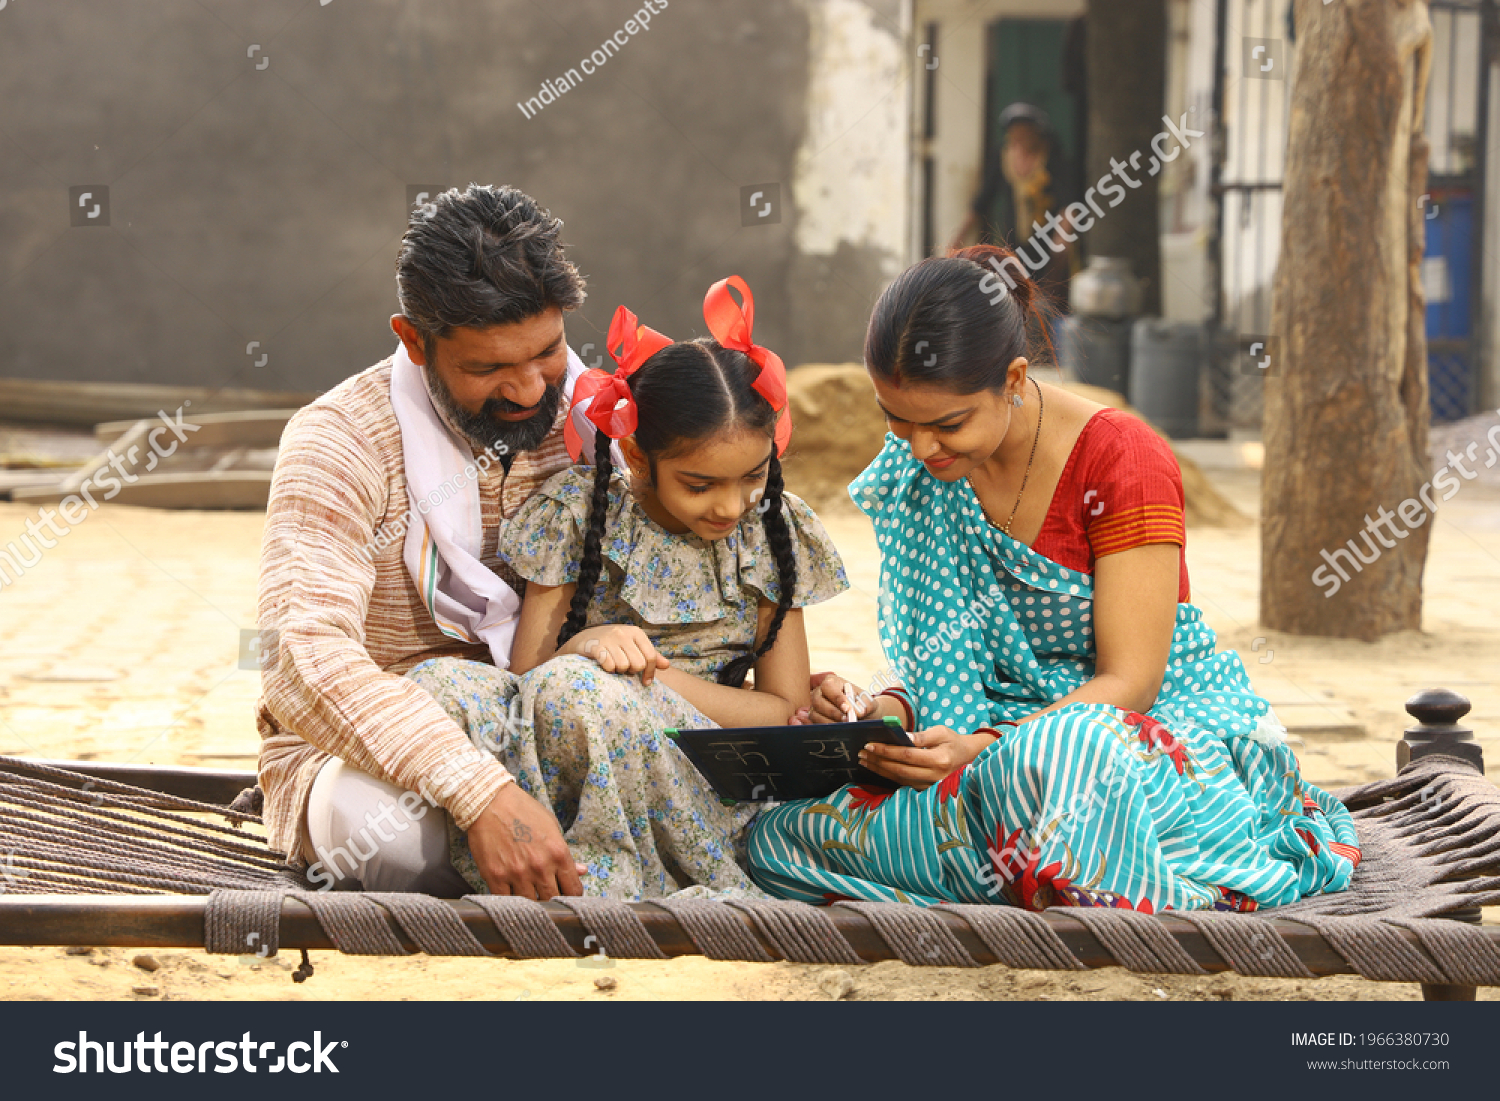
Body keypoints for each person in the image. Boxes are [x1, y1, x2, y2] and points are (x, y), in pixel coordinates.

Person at [748, 245, 1360, 912]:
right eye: (897, 418)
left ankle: (1000, 846)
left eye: (948, 424)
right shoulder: (919, 467)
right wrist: (882, 716)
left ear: (1013, 379)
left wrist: (986, 750)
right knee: (781, 834)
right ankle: (1029, 857)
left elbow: (1130, 683)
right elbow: (943, 669)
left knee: (1069, 757)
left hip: (1137, 733)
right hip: (996, 738)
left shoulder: (1123, 459)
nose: (921, 447)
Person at [256, 185, 758, 902]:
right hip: (388, 756)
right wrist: (477, 789)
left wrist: (795, 687)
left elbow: (705, 581)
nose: (528, 388)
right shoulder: (338, 441)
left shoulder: (609, 418)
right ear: (412, 339)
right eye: (488, 368)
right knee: (397, 839)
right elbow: (296, 657)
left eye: (548, 351)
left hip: (580, 731)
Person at [407, 277, 848, 896]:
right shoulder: (579, 512)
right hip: (569, 721)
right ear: (638, 457)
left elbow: (781, 713)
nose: (730, 505)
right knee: (438, 684)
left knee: (584, 688)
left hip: (693, 762)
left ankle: (603, 879)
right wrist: (591, 643)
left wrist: (647, 680)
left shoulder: (772, 527)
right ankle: (524, 839)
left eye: (752, 475)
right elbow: (531, 675)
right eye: (699, 484)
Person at [950, 103, 1076, 313]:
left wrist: (1062, 237)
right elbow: (981, 202)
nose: (1020, 137)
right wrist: (956, 240)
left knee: (1048, 305)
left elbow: (1068, 204)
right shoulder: (1003, 157)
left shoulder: (1052, 157)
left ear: (1038, 134)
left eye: (1026, 132)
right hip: (1016, 246)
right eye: (1015, 133)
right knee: (1014, 302)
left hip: (1048, 245)